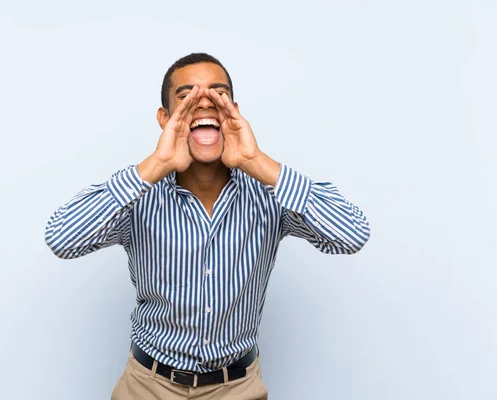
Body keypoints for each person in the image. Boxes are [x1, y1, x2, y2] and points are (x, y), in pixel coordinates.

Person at [45, 53, 370, 400]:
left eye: (218, 94)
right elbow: (61, 237)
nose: (204, 104)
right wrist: (156, 164)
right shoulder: (138, 194)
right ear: (165, 118)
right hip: (148, 386)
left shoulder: (270, 194)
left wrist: (256, 161)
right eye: (186, 97)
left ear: (235, 110)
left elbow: (352, 233)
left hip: (237, 388)